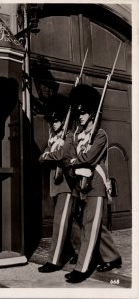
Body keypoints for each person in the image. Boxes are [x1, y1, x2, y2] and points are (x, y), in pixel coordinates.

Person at [42, 84, 122, 283]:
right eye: (80, 114)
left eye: (85, 113)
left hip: (96, 183)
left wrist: (72, 159)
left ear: (92, 113)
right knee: (91, 224)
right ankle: (112, 257)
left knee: (90, 225)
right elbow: (71, 154)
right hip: (81, 184)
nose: (81, 117)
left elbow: (88, 157)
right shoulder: (78, 136)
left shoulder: (100, 135)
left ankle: (83, 267)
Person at [38, 106, 81, 273]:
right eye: (52, 120)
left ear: (64, 120)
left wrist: (48, 155)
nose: (54, 124)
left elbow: (61, 155)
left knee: (59, 221)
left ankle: (54, 261)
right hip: (56, 185)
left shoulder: (69, 136)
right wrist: (48, 155)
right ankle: (81, 251)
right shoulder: (53, 139)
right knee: (70, 222)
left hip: (67, 185)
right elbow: (42, 157)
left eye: (57, 120)